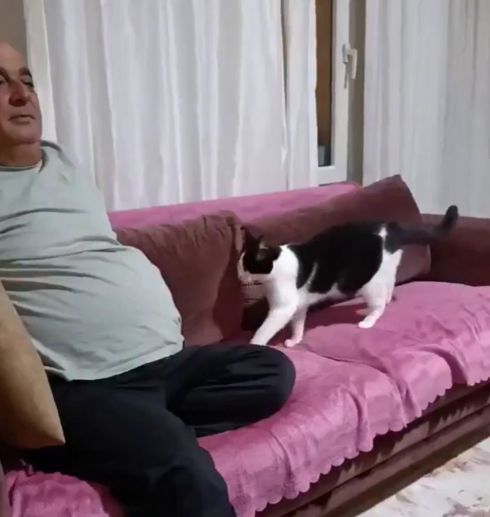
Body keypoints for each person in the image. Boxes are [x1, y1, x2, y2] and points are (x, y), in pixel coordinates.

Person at [0, 42, 295, 517]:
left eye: (27, 80)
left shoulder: (62, 164)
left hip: (165, 363)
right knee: (185, 474)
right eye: (0, 83)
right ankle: (132, 437)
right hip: (84, 383)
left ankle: (135, 435)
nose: (22, 94)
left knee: (271, 372)